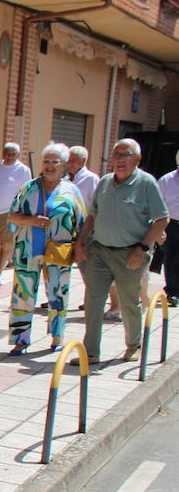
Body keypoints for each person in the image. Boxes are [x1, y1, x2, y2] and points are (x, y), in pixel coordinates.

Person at [74, 138, 169, 363]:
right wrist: (80, 244)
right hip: (99, 251)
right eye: (116, 155)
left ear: (137, 159)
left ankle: (134, 346)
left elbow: (161, 220)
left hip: (131, 254)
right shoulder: (105, 182)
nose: (119, 160)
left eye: (125, 155)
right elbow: (92, 216)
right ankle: (91, 352)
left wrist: (142, 248)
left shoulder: (146, 183)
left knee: (129, 302)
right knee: (93, 300)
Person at [4, 143, 87, 355]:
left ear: (64, 165)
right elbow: (12, 216)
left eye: (54, 161)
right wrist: (32, 220)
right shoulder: (29, 187)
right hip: (27, 250)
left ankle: (57, 337)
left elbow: (83, 222)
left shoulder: (71, 191)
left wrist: (80, 247)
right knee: (22, 294)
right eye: (46, 161)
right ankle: (20, 339)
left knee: (58, 294)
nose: (49, 165)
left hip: (59, 252)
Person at [0, 142, 33, 286]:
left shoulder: (23, 170)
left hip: (9, 213)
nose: (9, 157)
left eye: (12, 154)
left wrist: (20, 213)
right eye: (6, 153)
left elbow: (26, 193)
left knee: (7, 244)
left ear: (17, 155)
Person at [155, 150, 179, 307]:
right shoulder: (166, 180)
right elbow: (157, 204)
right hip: (170, 224)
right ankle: (172, 292)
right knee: (170, 258)